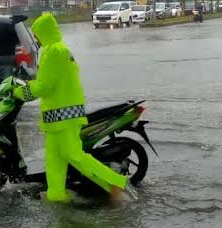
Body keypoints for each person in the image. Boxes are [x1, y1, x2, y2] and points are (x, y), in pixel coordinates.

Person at [13, 13, 135, 203]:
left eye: (37, 34)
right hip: (57, 117)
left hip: (63, 116)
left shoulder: (54, 52)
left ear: (44, 32)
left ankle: (117, 182)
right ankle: (56, 195)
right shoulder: (58, 50)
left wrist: (21, 92)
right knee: (54, 160)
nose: (35, 38)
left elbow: (45, 86)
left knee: (74, 156)